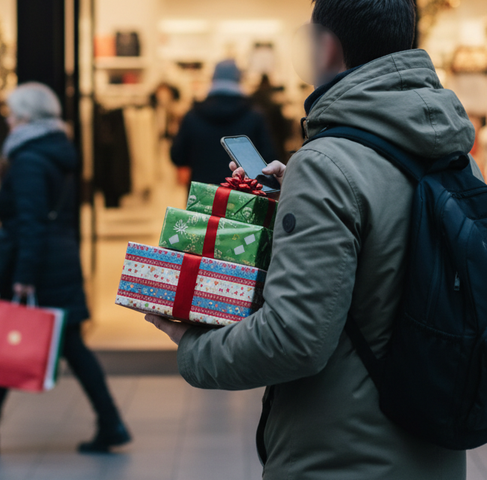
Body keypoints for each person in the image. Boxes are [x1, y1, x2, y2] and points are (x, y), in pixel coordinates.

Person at [146, 0, 485, 478]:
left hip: (340, 455)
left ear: (325, 47)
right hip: (432, 449)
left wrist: (193, 348)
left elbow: (293, 339)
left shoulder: (328, 163)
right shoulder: (453, 152)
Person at [0, 82, 131, 455]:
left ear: (26, 117)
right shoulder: (55, 151)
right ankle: (108, 422)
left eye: (11, 113)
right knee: (70, 343)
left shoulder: (28, 158)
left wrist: (24, 276)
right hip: (58, 259)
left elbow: (30, 222)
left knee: (9, 342)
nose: (8, 120)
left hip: (37, 265)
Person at [170, 59, 276, 186]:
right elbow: (268, 159)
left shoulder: (192, 115)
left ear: (213, 79)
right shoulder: (255, 116)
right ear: (239, 79)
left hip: (202, 196)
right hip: (243, 198)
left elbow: (177, 155)